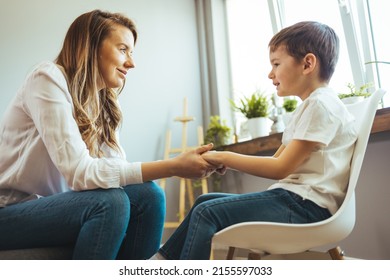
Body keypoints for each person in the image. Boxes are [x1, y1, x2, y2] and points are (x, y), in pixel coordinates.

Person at [0, 9, 217, 260]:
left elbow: (115, 170)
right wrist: (171, 167)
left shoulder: (103, 102)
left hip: (53, 206)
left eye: (132, 53)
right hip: (9, 211)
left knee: (149, 195)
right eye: (123, 49)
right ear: (91, 46)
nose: (131, 63)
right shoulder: (47, 78)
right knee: (110, 202)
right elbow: (80, 172)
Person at [152, 21, 358, 260]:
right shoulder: (308, 108)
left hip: (307, 207)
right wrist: (224, 158)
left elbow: (280, 168)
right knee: (205, 201)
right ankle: (159, 263)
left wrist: (224, 156)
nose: (270, 73)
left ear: (308, 64)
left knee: (208, 212)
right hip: (294, 199)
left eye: (276, 64)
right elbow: (277, 163)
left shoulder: (322, 105)